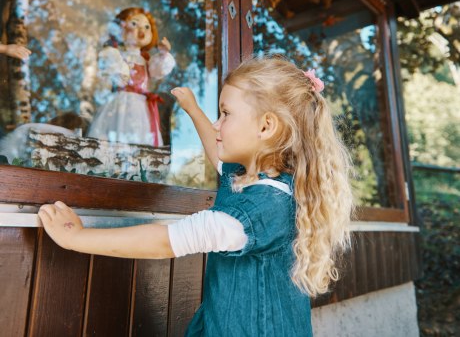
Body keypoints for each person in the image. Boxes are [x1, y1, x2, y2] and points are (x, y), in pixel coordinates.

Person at [38, 55, 354, 336]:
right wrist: (192, 110)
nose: (218, 124)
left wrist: (76, 238)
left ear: (266, 126)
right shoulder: (261, 180)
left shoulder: (262, 208)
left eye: (226, 113)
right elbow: (218, 153)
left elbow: (168, 240)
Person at [87, 7, 175, 147]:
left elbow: (159, 69)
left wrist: (164, 54)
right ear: (121, 28)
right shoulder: (117, 55)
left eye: (147, 27)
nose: (142, 30)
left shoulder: (147, 61)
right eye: (134, 24)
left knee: (139, 140)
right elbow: (110, 70)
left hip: (140, 109)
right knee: (113, 136)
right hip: (119, 103)